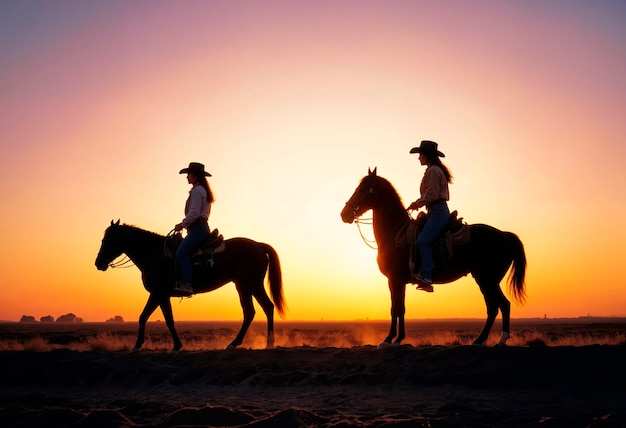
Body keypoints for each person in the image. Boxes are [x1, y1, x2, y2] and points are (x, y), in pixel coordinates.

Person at [407, 140, 453, 293]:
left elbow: (432, 194)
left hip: (438, 211)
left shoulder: (433, 171)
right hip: (434, 210)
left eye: (420, 155)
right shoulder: (433, 170)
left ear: (427, 156)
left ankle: (426, 276)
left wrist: (416, 203)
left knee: (423, 241)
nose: (419, 158)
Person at [173, 162, 214, 296]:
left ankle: (187, 284)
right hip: (200, 227)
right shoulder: (203, 190)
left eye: (189, 174)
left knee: (181, 253)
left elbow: (194, 213)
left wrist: (182, 224)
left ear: (196, 175)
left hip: (198, 229)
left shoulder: (197, 191)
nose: (187, 177)